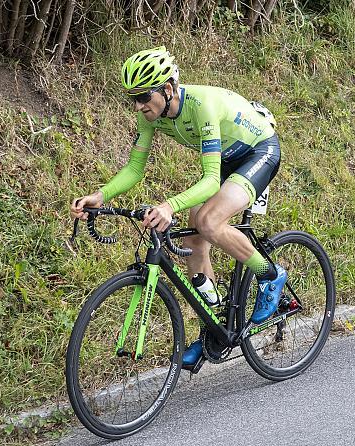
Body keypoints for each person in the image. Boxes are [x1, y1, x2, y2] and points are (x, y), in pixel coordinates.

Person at [70, 46, 287, 368]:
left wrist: (169, 206)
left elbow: (211, 181)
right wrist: (101, 196)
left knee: (209, 222)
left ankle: (270, 275)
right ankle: (213, 328)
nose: (139, 105)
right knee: (193, 238)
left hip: (258, 152)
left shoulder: (201, 106)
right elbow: (134, 169)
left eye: (144, 96)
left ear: (168, 89)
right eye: (133, 98)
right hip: (228, 160)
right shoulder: (150, 117)